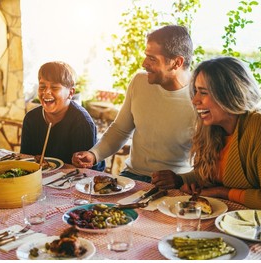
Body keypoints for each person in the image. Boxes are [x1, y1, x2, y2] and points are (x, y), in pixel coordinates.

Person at [164, 56, 261, 213]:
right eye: (195, 92)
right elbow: (212, 174)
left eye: (203, 92)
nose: (194, 100)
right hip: (232, 220)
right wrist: (181, 179)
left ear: (228, 94)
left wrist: (221, 192)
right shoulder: (210, 128)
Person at [72, 25, 195, 183]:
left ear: (176, 63)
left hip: (174, 185)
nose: (144, 63)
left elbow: (209, 161)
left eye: (152, 58)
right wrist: (94, 154)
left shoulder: (199, 98)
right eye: (146, 56)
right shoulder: (139, 82)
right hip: (132, 176)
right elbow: (120, 130)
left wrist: (181, 180)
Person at [21, 61, 104, 171]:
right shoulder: (31, 119)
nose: (46, 92)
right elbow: (25, 160)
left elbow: (85, 172)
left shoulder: (82, 123)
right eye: (42, 87)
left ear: (70, 93)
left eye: (54, 88)